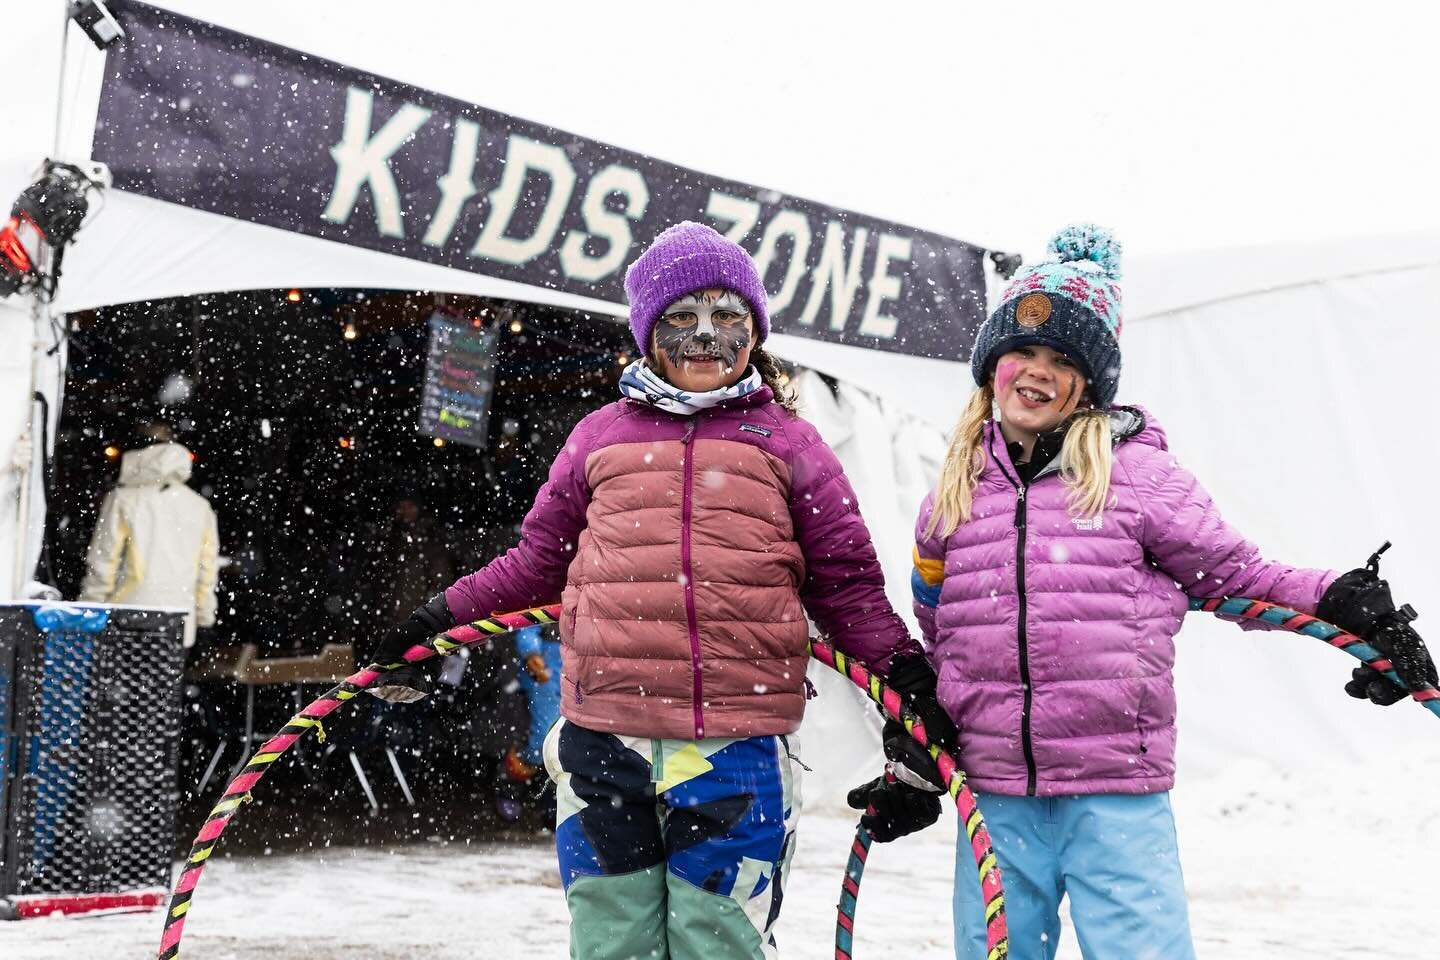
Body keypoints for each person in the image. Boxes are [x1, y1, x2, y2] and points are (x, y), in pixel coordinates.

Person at [367, 222, 953, 959]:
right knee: (614, 943)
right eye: (682, 317)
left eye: (726, 316)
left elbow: (850, 591)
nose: (705, 336)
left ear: (755, 330)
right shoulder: (598, 438)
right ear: (648, 332)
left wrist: (905, 684)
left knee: (720, 943)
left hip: (733, 748)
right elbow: (535, 566)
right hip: (603, 740)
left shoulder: (792, 445)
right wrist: (435, 622)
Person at [858, 224, 1438, 960]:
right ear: (990, 365)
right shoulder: (953, 494)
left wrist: (1344, 605)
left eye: (1061, 360)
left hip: (1115, 790)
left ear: (1091, 382)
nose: (1036, 373)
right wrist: (918, 752)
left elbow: (1238, 581)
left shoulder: (1139, 479)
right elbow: (943, 640)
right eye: (1022, 352)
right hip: (996, 793)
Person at [79, 440, 220, 647]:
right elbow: (207, 569)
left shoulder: (123, 499)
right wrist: (203, 615)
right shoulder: (200, 507)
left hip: (126, 613)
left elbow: (104, 559)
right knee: (163, 677)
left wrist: (89, 608)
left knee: (118, 678)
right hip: (178, 620)